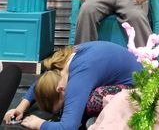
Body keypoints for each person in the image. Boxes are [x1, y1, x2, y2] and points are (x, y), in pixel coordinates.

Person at [4, 41, 143, 130]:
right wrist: (21, 107)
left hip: (141, 89)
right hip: (131, 71)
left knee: (92, 102)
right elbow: (41, 83)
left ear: (61, 89)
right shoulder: (61, 63)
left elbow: (69, 127)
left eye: (61, 107)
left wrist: (40, 124)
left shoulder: (79, 77)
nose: (63, 109)